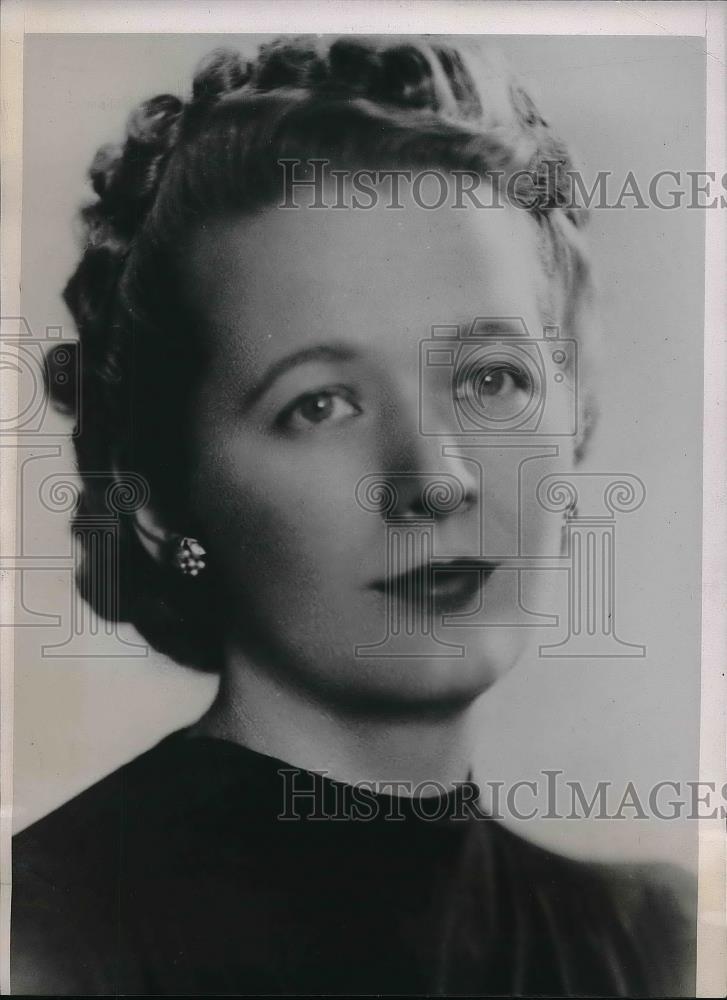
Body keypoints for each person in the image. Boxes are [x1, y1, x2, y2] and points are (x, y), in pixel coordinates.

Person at [11, 36, 695, 996]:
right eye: (322, 403)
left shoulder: (657, 943)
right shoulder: (40, 934)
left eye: (490, 378)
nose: (439, 479)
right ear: (162, 501)